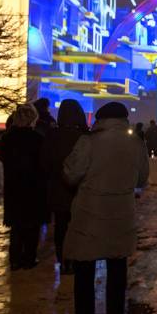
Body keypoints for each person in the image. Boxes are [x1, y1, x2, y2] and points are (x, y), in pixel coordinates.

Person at [63, 102, 149, 314]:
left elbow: (71, 175)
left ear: (99, 120)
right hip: (121, 211)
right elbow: (142, 179)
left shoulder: (88, 142)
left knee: (84, 265)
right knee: (118, 264)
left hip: (90, 212)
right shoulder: (136, 143)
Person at [39, 99, 88, 275]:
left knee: (61, 227)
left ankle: (63, 260)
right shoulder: (83, 137)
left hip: (57, 190)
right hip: (79, 191)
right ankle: (76, 259)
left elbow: (44, 163)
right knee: (78, 226)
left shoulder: (52, 136)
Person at [0, 103, 48, 270]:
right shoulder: (37, 139)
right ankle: (29, 257)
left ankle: (15, 259)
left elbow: (3, 157)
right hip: (34, 187)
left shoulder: (7, 139)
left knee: (17, 226)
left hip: (14, 186)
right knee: (32, 226)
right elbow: (43, 164)